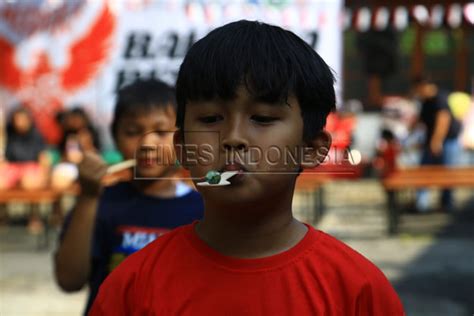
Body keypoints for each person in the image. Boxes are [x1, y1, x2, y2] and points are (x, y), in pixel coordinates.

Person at [90, 21, 404, 315]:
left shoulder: (357, 291)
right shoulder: (131, 287)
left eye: (263, 118)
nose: (233, 138)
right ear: (182, 148)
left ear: (310, 148)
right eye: (211, 119)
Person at [54, 78, 204, 315]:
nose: (147, 143)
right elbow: (69, 280)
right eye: (133, 132)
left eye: (162, 132)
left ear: (182, 138)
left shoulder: (202, 210)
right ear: (115, 137)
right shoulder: (100, 203)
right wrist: (88, 197)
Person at [412, 76, 461, 212]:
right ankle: (422, 204)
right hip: (431, 141)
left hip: (447, 141)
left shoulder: (440, 98)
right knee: (424, 172)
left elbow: (443, 121)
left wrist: (436, 141)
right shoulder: (425, 101)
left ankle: (447, 204)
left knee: (447, 173)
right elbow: (419, 122)